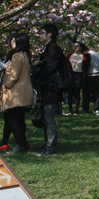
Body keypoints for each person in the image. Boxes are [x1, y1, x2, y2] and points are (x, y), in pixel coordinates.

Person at [33, 23, 67, 156]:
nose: (40, 35)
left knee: (48, 117)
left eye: (42, 32)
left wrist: (39, 76)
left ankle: (50, 145)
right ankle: (47, 143)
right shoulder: (47, 48)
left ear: (49, 34)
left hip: (50, 87)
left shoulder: (53, 48)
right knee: (46, 116)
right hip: (46, 87)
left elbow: (50, 67)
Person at [0, 33, 33, 154]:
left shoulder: (17, 56)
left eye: (13, 41)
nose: (11, 43)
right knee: (15, 119)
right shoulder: (25, 55)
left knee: (14, 120)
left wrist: (7, 84)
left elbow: (14, 75)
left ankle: (20, 144)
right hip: (22, 92)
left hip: (16, 93)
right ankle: (9, 142)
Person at [66, 42, 88, 115]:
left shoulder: (83, 57)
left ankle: (76, 110)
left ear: (80, 47)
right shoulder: (70, 55)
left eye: (77, 46)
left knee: (77, 93)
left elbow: (84, 67)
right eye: (74, 46)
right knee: (69, 93)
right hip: (70, 75)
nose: (75, 48)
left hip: (78, 75)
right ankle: (70, 110)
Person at [83, 46, 99, 115]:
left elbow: (86, 65)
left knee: (87, 94)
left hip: (91, 75)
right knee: (96, 93)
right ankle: (96, 108)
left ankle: (86, 109)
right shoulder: (98, 54)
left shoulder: (88, 55)